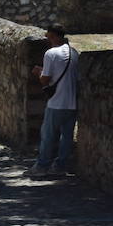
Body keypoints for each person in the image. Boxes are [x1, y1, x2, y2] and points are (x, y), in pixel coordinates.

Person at [27, 24, 78, 178]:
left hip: (56, 102)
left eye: (49, 36)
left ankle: (42, 166)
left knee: (48, 136)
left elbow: (45, 80)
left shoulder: (51, 53)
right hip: (72, 103)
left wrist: (39, 72)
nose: (48, 39)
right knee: (66, 137)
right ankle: (60, 166)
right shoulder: (73, 53)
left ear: (53, 36)